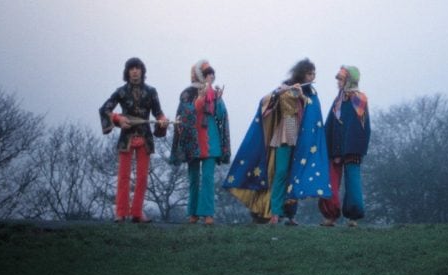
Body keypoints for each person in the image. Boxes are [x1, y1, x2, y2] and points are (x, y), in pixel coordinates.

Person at [223, 58, 330, 225]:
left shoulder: (311, 93)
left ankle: (290, 215)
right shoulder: (285, 86)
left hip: (302, 137)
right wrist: (278, 93)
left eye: (314, 73)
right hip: (284, 134)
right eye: (309, 73)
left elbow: (313, 112)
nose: (312, 76)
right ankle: (275, 212)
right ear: (301, 73)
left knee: (294, 175)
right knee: (280, 173)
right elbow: (265, 102)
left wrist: (302, 97)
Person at [99, 57, 169, 223]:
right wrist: (118, 119)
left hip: (145, 137)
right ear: (127, 72)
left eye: (138, 68)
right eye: (132, 68)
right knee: (124, 175)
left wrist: (163, 120)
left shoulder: (152, 91)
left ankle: (137, 213)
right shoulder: (121, 92)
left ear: (142, 71)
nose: (135, 71)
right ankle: (121, 212)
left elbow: (158, 113)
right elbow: (105, 109)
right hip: (127, 138)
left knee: (143, 177)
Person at [170, 60, 231, 224]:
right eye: (207, 74)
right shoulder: (188, 93)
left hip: (211, 140)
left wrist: (218, 100)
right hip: (193, 139)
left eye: (212, 74)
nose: (211, 76)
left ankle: (208, 213)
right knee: (194, 177)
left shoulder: (215, 93)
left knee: (208, 178)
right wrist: (201, 98)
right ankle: (193, 213)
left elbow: (220, 116)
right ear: (199, 75)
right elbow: (186, 114)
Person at [318, 65, 371, 227]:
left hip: (351, 149)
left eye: (340, 79)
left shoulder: (358, 99)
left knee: (352, 180)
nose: (338, 82)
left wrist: (354, 147)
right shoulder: (338, 101)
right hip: (336, 147)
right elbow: (331, 123)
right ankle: (330, 216)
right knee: (330, 181)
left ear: (349, 80)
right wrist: (326, 143)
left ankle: (352, 217)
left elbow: (360, 126)